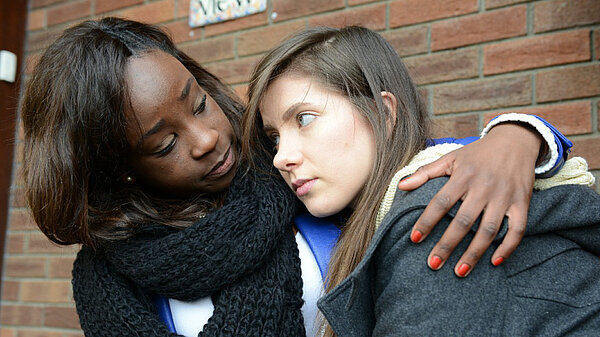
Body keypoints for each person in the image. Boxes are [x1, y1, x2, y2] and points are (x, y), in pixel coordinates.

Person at [21, 18, 572, 336]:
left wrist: (518, 135)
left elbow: (417, 161)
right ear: (121, 173)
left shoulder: (291, 177)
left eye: (200, 102)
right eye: (164, 143)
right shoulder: (109, 280)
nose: (207, 137)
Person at [242, 25, 600, 337]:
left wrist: (520, 132)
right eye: (273, 137)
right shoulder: (372, 209)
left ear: (383, 113)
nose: (280, 157)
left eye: (304, 119)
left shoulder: (436, 213)